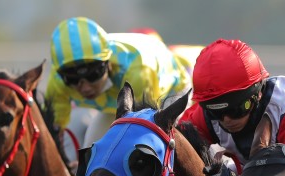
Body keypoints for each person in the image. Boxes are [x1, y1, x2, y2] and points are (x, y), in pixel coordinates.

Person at [46, 17, 194, 154]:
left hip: (168, 90)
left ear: (107, 64)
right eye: (72, 79)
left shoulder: (138, 71)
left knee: (158, 145)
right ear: (61, 74)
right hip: (119, 98)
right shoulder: (57, 82)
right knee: (90, 151)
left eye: (93, 75)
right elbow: (53, 131)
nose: (85, 87)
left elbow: (146, 125)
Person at [178, 39, 285, 170]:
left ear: (258, 93)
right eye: (216, 113)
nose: (227, 120)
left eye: (236, 109)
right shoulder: (206, 114)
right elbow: (177, 147)